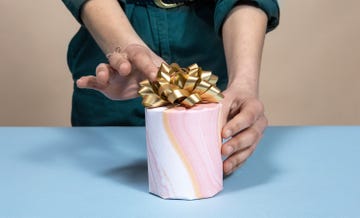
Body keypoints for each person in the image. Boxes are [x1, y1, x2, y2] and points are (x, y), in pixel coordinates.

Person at [62, 0, 280, 175]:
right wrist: (127, 47)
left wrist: (243, 82)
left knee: (206, 159)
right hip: (113, 62)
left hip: (209, 54)